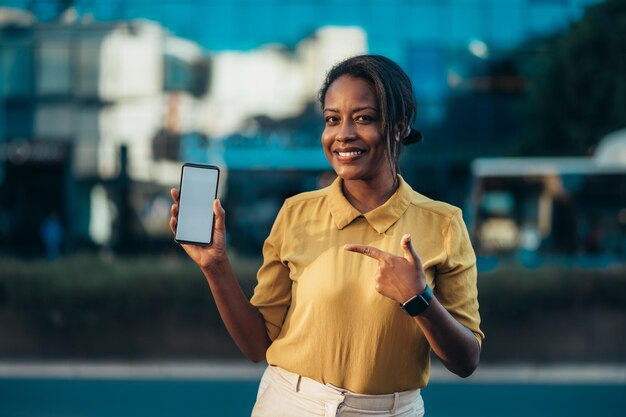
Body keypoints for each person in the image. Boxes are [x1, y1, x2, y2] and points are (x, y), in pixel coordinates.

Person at [169, 55, 483, 417]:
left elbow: (466, 360)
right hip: (289, 405)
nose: (343, 134)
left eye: (363, 118)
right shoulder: (296, 213)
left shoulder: (444, 224)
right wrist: (215, 266)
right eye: (333, 119)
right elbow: (257, 345)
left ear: (398, 126)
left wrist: (419, 299)